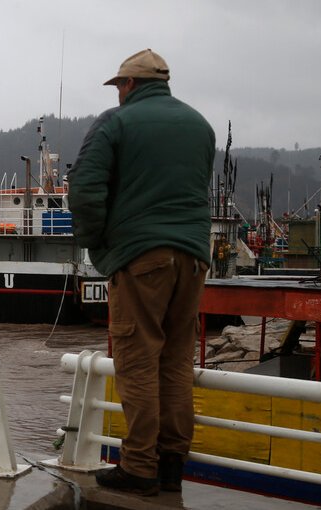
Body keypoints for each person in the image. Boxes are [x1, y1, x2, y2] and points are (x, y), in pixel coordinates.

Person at [67, 49, 215, 495]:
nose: (118, 94)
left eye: (119, 87)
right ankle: (172, 466)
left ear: (129, 85)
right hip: (193, 257)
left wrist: (100, 245)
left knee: (137, 359)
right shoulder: (200, 125)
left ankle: (138, 468)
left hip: (140, 256)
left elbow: (85, 188)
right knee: (174, 360)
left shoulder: (115, 124)